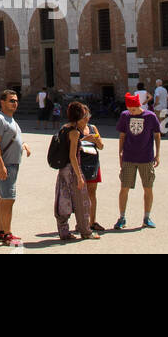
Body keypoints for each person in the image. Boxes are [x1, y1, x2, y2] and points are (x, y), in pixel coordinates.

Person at [115, 91, 162, 230]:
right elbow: (122, 135)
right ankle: (122, 217)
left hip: (146, 157)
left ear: (139, 106)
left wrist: (158, 154)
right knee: (124, 188)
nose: (132, 112)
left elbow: (157, 135)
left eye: (134, 109)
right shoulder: (125, 116)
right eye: (129, 109)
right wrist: (120, 153)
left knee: (148, 187)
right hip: (129, 157)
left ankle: (147, 217)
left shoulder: (150, 116)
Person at [0, 89, 30, 247]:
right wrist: (1, 166)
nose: (15, 103)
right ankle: (7, 234)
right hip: (6, 165)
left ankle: (0, 232)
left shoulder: (11, 119)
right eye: (11, 100)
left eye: (16, 100)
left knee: (4, 198)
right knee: (9, 199)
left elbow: (13, 139)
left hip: (12, 164)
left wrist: (23, 145)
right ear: (2, 102)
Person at [54, 101, 100, 241]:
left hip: (62, 169)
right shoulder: (74, 132)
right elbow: (73, 156)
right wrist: (79, 176)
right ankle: (85, 231)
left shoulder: (63, 128)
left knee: (63, 199)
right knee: (81, 201)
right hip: (72, 169)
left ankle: (63, 232)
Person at [80, 109, 105, 231]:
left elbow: (101, 146)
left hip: (93, 163)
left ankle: (92, 221)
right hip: (80, 163)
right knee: (79, 194)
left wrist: (96, 140)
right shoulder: (74, 129)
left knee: (92, 193)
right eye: (83, 116)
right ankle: (81, 223)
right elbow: (71, 145)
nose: (86, 118)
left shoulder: (92, 128)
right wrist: (84, 140)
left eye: (87, 115)